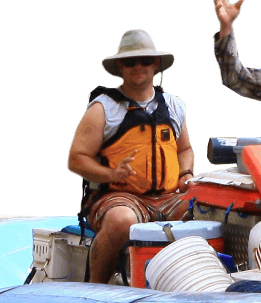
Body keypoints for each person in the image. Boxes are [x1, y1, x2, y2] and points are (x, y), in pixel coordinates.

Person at [66, 28, 194, 286]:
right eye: (130, 61)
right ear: (120, 66)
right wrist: (111, 174)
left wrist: (186, 174)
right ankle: (97, 288)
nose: (139, 66)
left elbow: (185, 149)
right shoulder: (104, 107)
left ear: (156, 64)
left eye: (145, 60)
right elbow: (76, 159)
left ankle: (194, 284)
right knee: (121, 221)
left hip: (168, 197)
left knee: (208, 210)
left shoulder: (174, 105)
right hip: (117, 197)